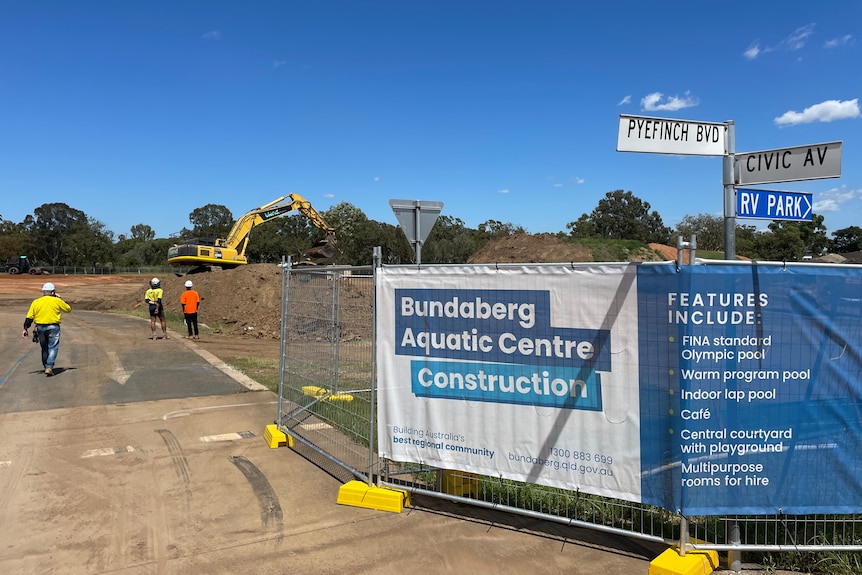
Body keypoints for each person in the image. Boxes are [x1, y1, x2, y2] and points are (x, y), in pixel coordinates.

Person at [22, 282, 72, 376]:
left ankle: (46, 367)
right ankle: (49, 366)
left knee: (44, 348)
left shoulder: (36, 302)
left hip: (40, 327)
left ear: (44, 292)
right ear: (53, 292)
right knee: (53, 347)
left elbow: (29, 317)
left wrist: (25, 328)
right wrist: (60, 299)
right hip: (53, 327)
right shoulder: (57, 301)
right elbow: (68, 309)